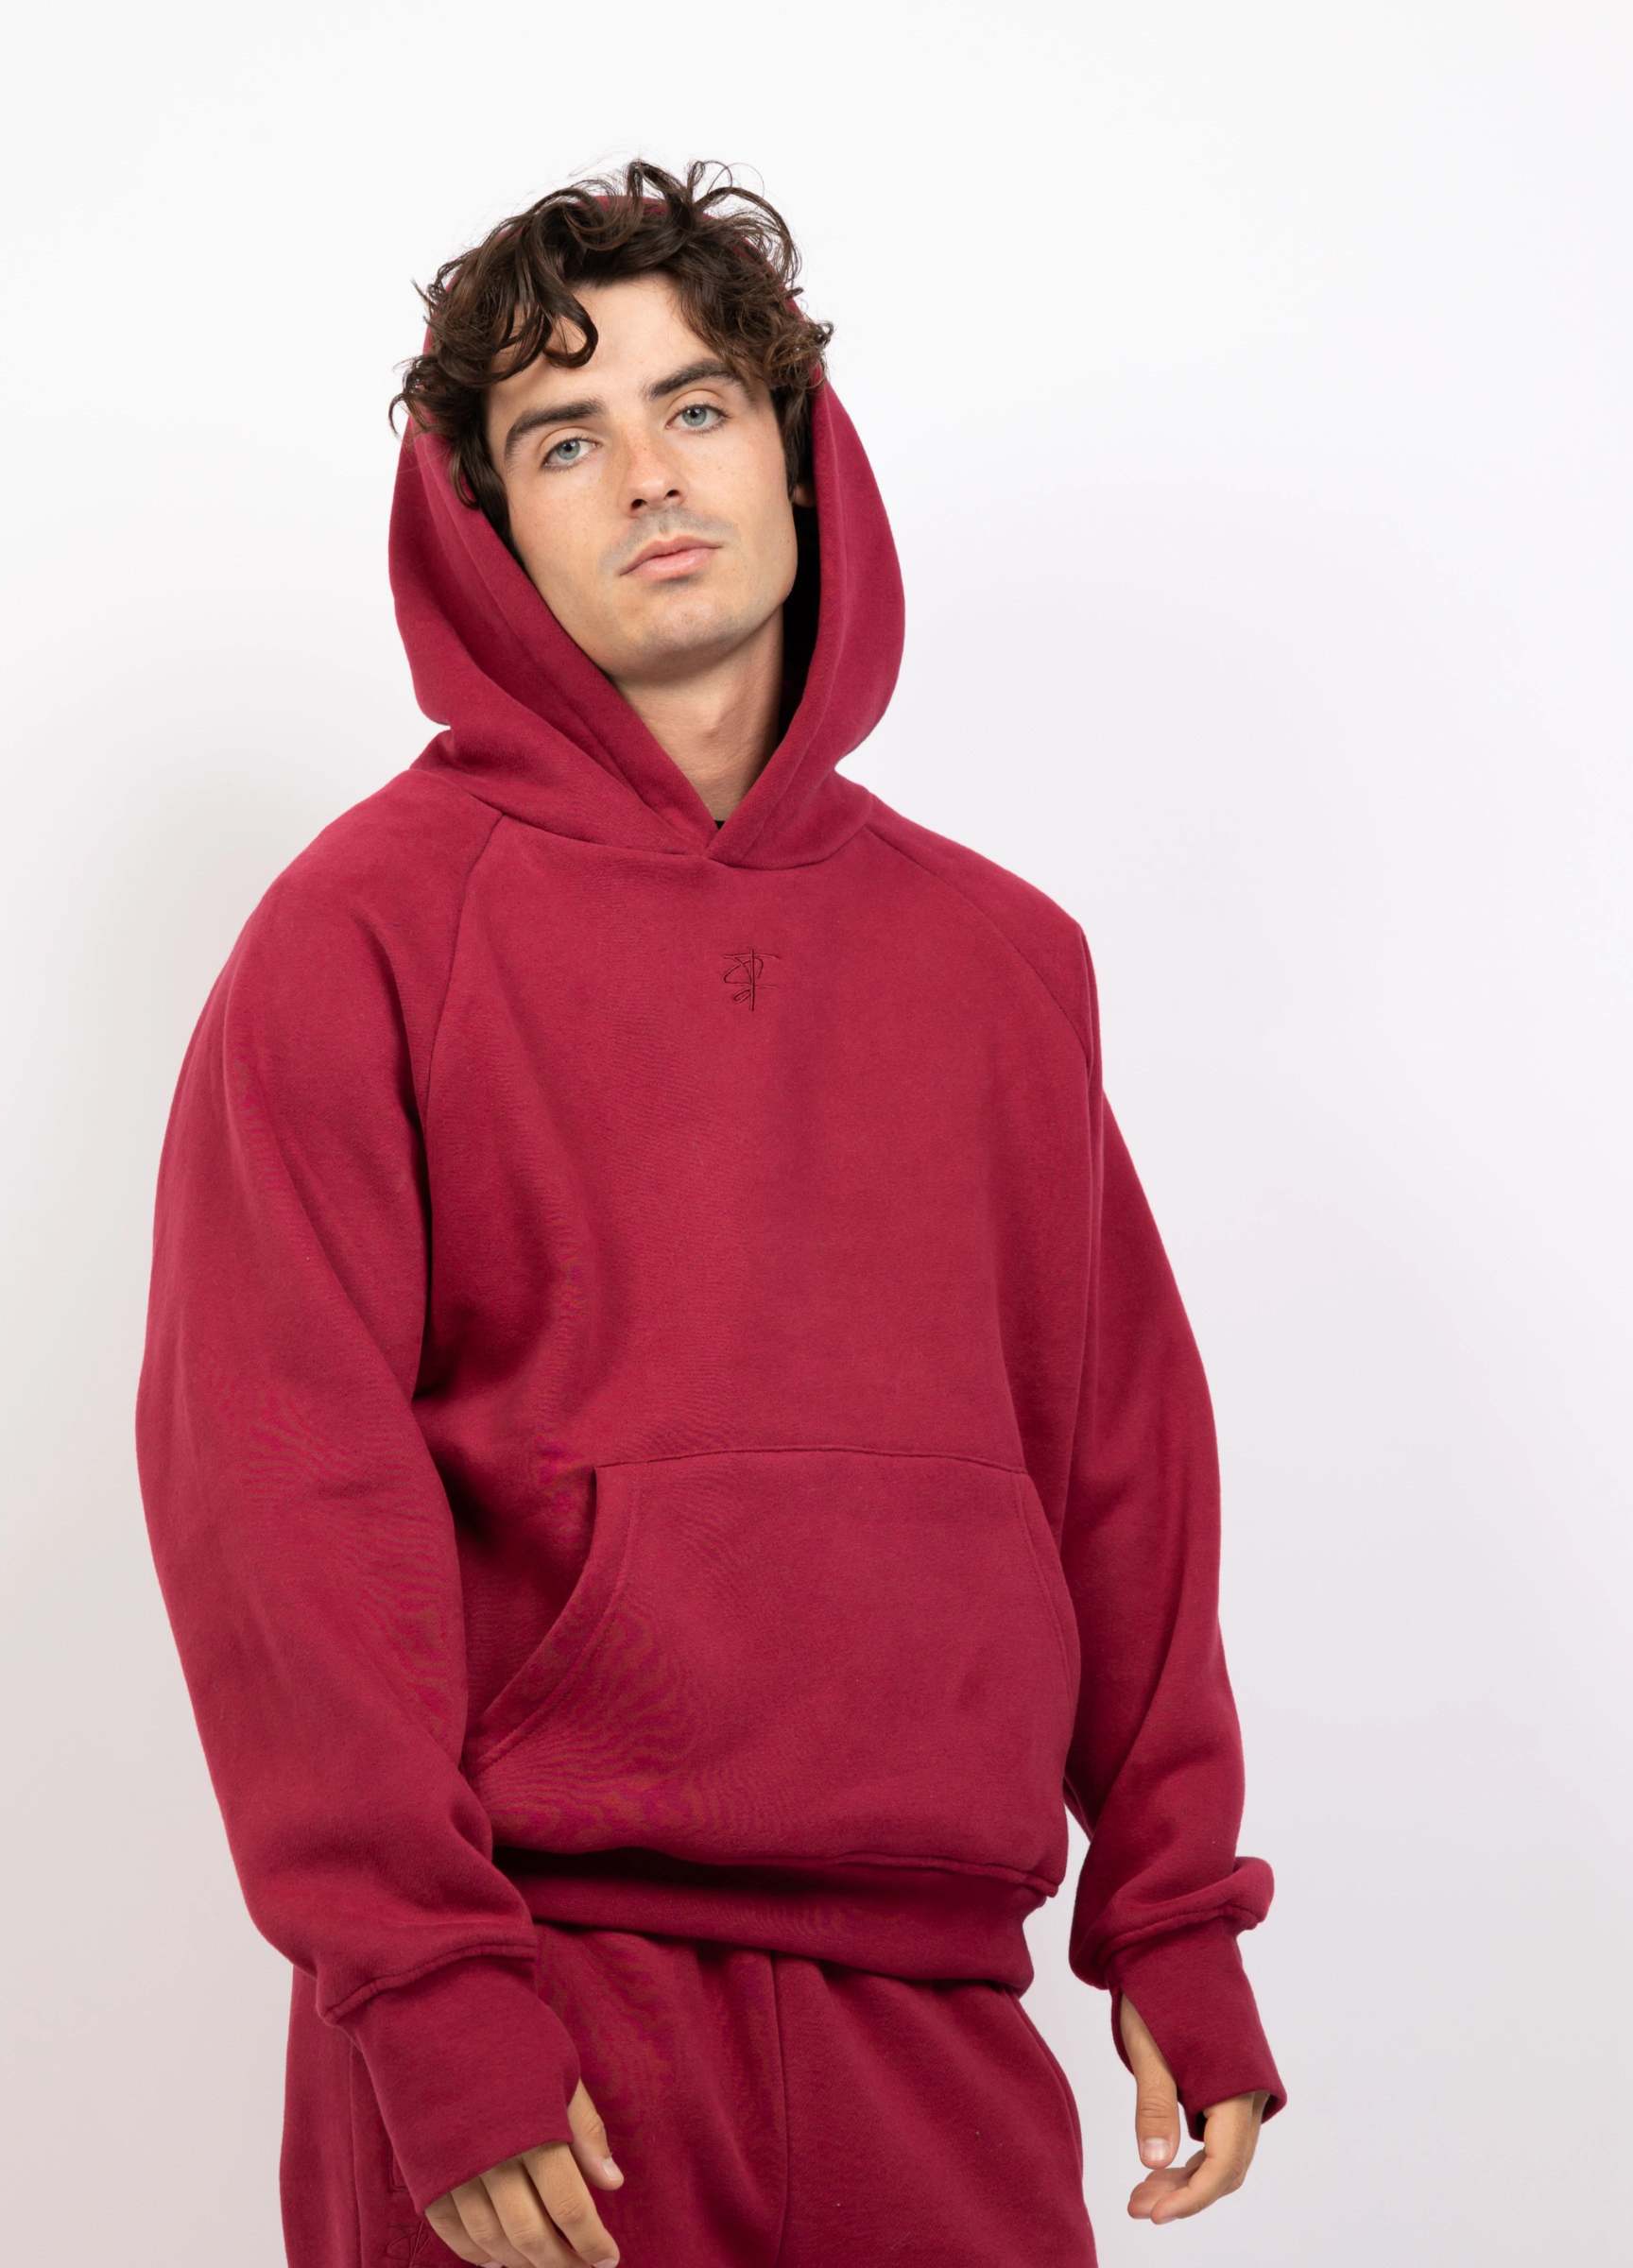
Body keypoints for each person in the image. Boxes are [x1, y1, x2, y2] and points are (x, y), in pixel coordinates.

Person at [134, 157, 1287, 2267]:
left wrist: (1175, 1919)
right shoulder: (360, 936)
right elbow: (278, 1497)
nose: (650, 474)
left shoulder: (1001, 962)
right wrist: (429, 1990)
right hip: (537, 2019)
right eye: (564, 438)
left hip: (935, 2009)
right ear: (484, 523)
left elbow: (1120, 1465)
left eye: (697, 405)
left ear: (797, 451)